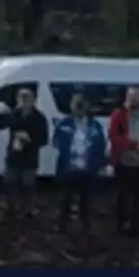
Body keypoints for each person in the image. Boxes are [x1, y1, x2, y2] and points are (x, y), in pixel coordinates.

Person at [51, 93, 107, 233]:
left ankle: (85, 228)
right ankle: (62, 226)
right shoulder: (64, 123)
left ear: (87, 107)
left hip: (87, 170)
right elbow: (55, 142)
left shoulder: (94, 125)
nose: (79, 109)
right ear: (71, 106)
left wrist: (99, 164)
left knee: (86, 202)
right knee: (65, 200)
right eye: (76, 105)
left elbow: (101, 145)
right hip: (68, 169)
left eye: (81, 105)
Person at [107, 87, 139, 237]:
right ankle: (120, 227)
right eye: (131, 96)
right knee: (121, 197)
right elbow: (113, 135)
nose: (134, 99)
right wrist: (130, 144)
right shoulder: (119, 114)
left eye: (137, 96)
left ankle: (136, 228)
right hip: (123, 162)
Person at [0, 88, 48, 220]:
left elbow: (44, 140)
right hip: (13, 156)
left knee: (28, 185)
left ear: (33, 100)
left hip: (29, 158)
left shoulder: (39, 118)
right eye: (21, 98)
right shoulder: (13, 114)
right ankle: (11, 209)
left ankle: (28, 211)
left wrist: (29, 140)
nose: (24, 102)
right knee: (10, 183)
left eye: (27, 98)